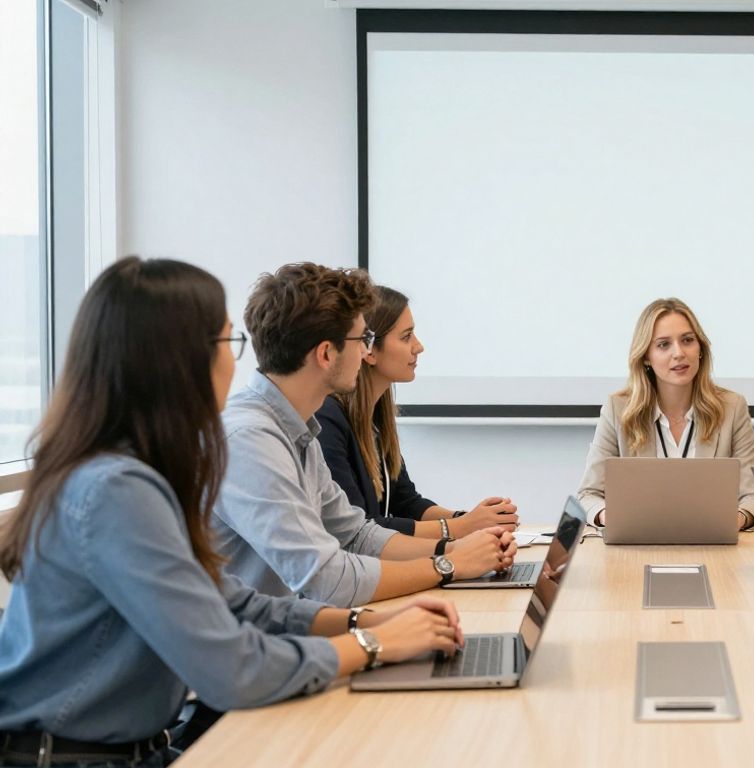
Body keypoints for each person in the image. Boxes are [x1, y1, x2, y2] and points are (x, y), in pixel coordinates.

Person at [0, 258, 464, 767]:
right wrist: (374, 643)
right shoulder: (117, 489)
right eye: (228, 341)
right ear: (181, 359)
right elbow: (231, 668)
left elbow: (236, 604)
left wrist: (363, 620)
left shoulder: (136, 469)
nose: (235, 360)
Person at [212, 263, 514, 608]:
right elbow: (325, 579)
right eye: (361, 340)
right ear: (327, 354)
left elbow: (356, 536)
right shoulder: (250, 440)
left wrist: (456, 549)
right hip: (264, 637)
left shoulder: (298, 429)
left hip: (298, 626)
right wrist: (448, 564)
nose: (364, 351)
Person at [317, 285, 519, 538]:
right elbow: (360, 530)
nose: (419, 346)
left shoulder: (375, 417)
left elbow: (406, 502)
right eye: (406, 337)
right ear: (369, 350)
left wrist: (471, 520)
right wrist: (462, 527)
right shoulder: (327, 419)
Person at [577, 298, 754, 530]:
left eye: (687, 340)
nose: (679, 353)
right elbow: (588, 495)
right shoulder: (618, 409)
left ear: (700, 349)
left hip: (711, 542)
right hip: (640, 541)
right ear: (646, 356)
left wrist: (735, 519)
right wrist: (611, 516)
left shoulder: (732, 407)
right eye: (664, 344)